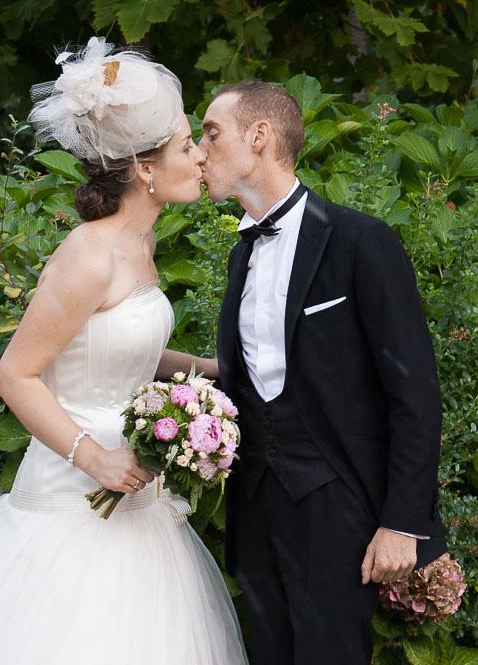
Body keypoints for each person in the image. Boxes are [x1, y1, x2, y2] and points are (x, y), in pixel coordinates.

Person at [0, 38, 248, 665]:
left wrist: (215, 375)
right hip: (74, 492)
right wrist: (94, 460)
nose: (199, 157)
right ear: (144, 168)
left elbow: (123, 346)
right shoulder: (89, 257)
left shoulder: (139, 247)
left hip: (135, 492)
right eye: (184, 146)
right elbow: (17, 374)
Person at [199, 81, 448, 665]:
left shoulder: (362, 242)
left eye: (212, 133)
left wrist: (403, 523)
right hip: (255, 505)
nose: (199, 149)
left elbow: (414, 392)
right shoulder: (242, 255)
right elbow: (254, 372)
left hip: (337, 508)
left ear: (259, 136)